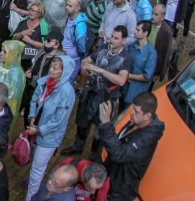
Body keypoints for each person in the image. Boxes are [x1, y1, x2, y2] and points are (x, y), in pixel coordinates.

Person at [63, 25, 131, 159]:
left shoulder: (126, 58)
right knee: (82, 121)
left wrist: (101, 70)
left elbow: (121, 80)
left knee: (99, 129)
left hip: (106, 97)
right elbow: (87, 60)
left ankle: (94, 155)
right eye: (112, 36)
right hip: (91, 91)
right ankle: (78, 146)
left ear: (124, 40)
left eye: (116, 38)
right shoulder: (105, 47)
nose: (112, 40)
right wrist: (84, 68)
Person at [25, 56, 76, 200]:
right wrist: (32, 116)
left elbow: (59, 120)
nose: (51, 70)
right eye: (51, 66)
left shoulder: (67, 92)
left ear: (64, 71)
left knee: (37, 170)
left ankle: (30, 197)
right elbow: (35, 100)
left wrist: (39, 129)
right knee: (35, 163)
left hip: (48, 137)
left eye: (56, 68)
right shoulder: (45, 82)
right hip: (35, 129)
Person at [97, 93, 165, 201]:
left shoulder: (146, 140)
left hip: (121, 188)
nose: (132, 113)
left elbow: (119, 154)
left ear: (148, 116)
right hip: (113, 175)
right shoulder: (139, 121)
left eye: (136, 111)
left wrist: (106, 125)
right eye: (133, 109)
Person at [123, 21, 157, 108]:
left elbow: (147, 76)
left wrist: (129, 76)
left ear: (145, 33)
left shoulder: (151, 53)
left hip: (136, 93)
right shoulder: (133, 45)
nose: (135, 31)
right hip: (124, 88)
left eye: (138, 30)